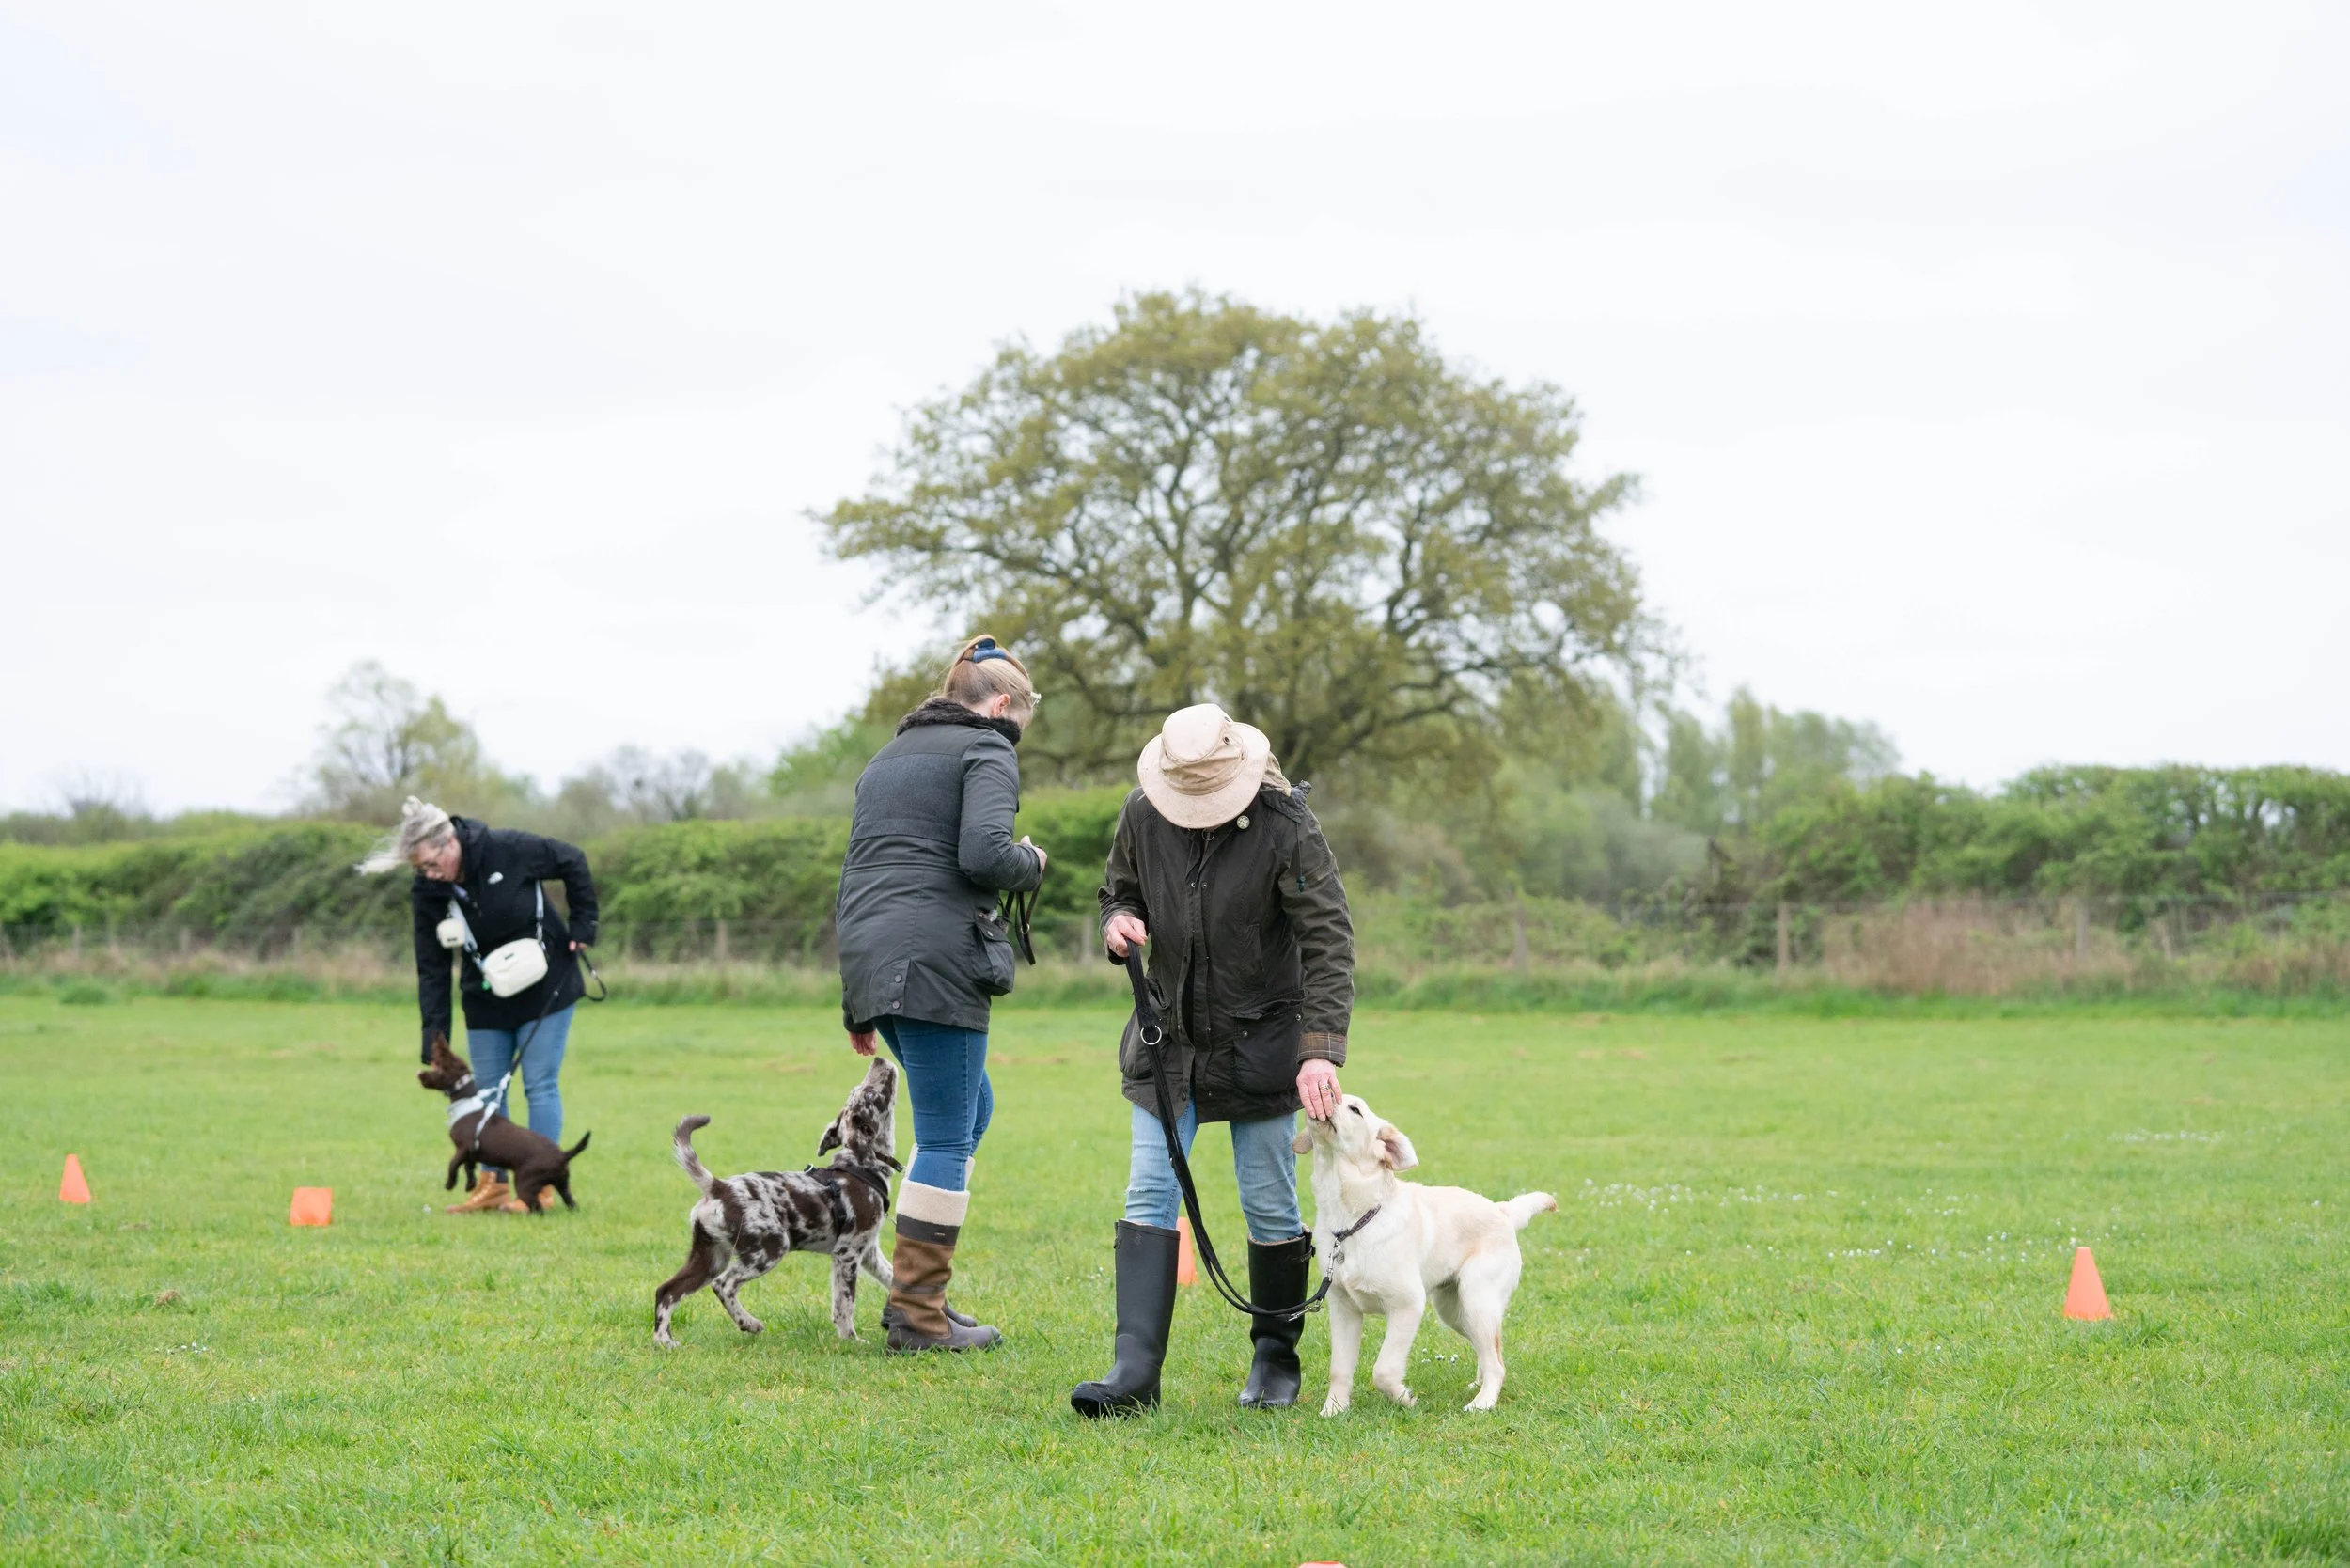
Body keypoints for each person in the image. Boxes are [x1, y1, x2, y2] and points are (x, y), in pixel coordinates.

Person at [1070, 703, 1355, 1418]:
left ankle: (1275, 1362)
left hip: (1262, 1045)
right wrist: (1117, 923)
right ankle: (1134, 1373)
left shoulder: (1287, 827)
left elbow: (1329, 942)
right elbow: (1117, 890)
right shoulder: (1141, 814)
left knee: (1268, 1200)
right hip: (1167, 1045)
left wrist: (1318, 1054)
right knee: (1147, 1198)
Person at [835, 636, 1046, 1352]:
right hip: (933, 956)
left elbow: (857, 871)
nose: (1017, 734)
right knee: (951, 1133)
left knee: (972, 1107)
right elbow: (984, 853)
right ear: (999, 704)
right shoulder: (987, 749)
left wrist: (853, 997)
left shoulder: (886, 759)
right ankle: (917, 1315)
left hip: (875, 954)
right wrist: (1032, 861)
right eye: (1019, 720)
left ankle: (921, 1292)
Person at [363, 796, 600, 1215]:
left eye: (431, 865)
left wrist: (582, 927)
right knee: (488, 1095)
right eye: (420, 870)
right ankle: (493, 1184)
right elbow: (432, 968)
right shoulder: (428, 891)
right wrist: (433, 1039)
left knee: (539, 1083)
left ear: (448, 841)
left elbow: (572, 860)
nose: (429, 875)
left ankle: (540, 1187)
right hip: (485, 995)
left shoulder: (506, 847)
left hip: (547, 985)